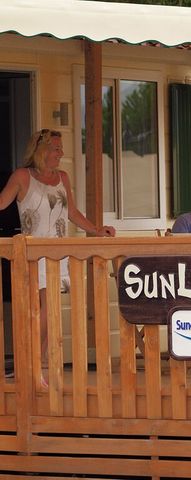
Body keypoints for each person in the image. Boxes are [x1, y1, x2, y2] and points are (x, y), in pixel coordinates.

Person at [0, 129, 115, 384]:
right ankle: (28, 363)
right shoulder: (22, 176)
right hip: (34, 253)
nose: (61, 153)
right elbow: (2, 203)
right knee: (44, 309)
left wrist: (96, 230)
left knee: (49, 311)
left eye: (61, 148)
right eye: (56, 148)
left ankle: (34, 367)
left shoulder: (62, 177)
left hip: (59, 254)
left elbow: (72, 212)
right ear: (41, 150)